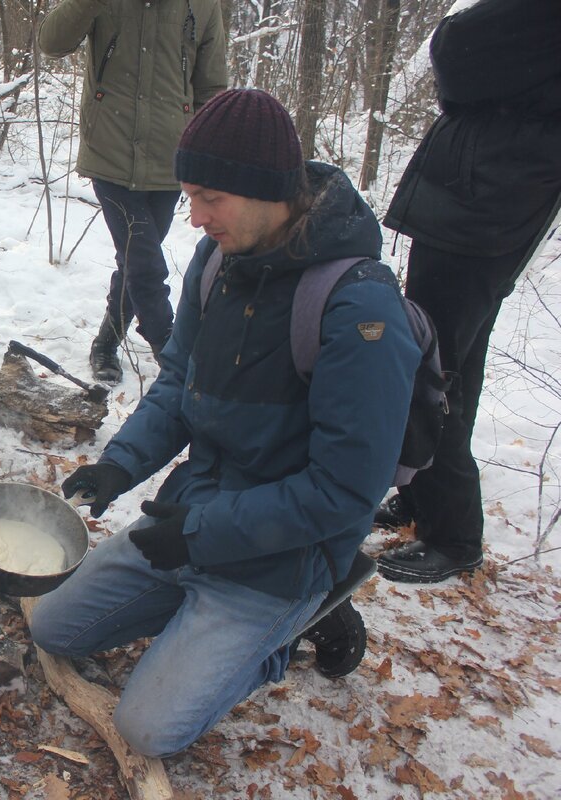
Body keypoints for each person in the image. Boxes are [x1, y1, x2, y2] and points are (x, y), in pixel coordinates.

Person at [29, 89, 422, 757]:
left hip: (281, 557)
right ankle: (197, 619)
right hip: (193, 517)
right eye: (189, 196)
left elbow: (345, 492)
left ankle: (291, 625)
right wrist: (121, 462)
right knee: (53, 629)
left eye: (210, 198)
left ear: (267, 189)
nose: (195, 218)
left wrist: (201, 535)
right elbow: (180, 381)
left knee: (148, 729)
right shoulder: (218, 264)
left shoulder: (358, 309)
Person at [374, 0, 561, 584]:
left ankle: (454, 535)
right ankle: (424, 495)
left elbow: (457, 51)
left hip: (489, 202)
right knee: (450, 357)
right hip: (489, 195)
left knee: (432, 364)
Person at [38, 0, 227, 384]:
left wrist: (206, 155)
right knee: (144, 262)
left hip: (169, 156)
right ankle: (172, 352)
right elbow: (52, 43)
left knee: (135, 262)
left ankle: (106, 342)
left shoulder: (203, 5)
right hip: (111, 151)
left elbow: (210, 85)